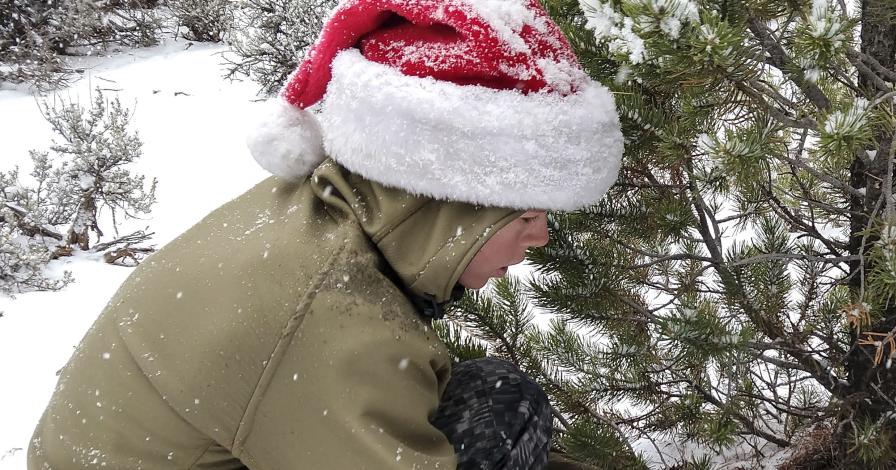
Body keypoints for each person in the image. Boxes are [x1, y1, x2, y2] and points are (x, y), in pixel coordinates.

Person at [27, 0, 624, 467]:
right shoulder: (329, 316)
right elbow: (335, 364)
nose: (540, 237)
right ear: (455, 207)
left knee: (492, 396)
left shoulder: (330, 213)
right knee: (508, 408)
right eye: (524, 216)